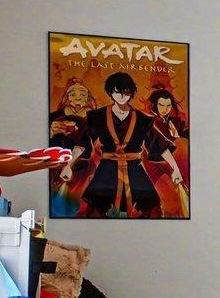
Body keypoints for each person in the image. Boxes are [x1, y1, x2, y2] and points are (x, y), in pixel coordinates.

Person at [60, 70, 186, 217]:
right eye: (116, 92)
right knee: (95, 206)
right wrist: (69, 165)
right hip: (106, 170)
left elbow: (160, 146)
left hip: (135, 169)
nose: (121, 96)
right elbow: (81, 144)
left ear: (131, 93)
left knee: (150, 205)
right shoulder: (96, 116)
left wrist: (175, 169)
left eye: (125, 92)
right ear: (110, 93)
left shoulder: (143, 119)